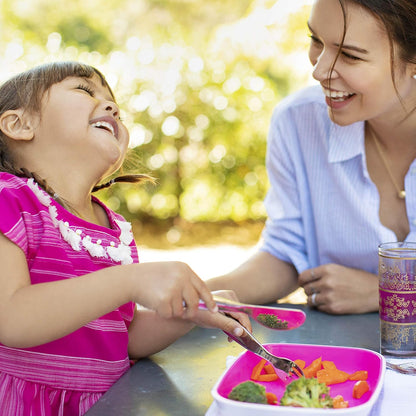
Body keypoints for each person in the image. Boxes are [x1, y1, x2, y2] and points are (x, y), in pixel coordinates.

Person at [0, 61, 250, 415]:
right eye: (85, 91)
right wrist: (131, 280)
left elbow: (121, 336)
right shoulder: (8, 200)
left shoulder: (113, 229)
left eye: (113, 101)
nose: (111, 106)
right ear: (19, 124)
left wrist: (185, 315)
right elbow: (11, 317)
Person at [207, 0, 416, 315]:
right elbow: (288, 253)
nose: (319, 71)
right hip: (347, 356)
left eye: (349, 55)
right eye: (316, 40)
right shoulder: (298, 121)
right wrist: (195, 295)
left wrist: (386, 293)